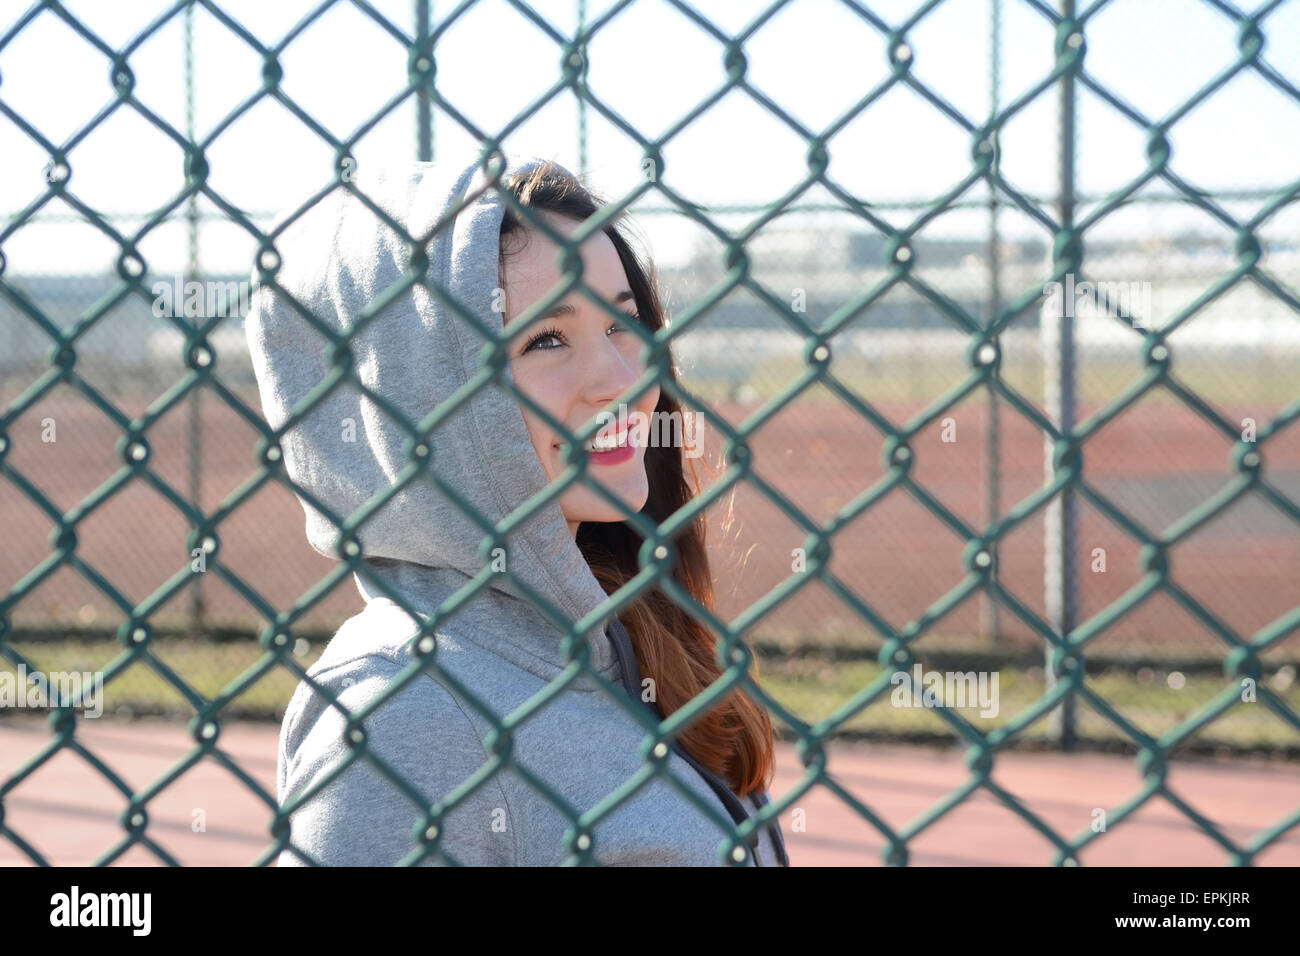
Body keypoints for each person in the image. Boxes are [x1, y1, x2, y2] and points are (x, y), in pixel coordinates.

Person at [244, 148, 788, 866]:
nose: (620, 381)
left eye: (621, 324)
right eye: (547, 339)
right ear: (417, 402)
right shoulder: (403, 710)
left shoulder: (625, 622)